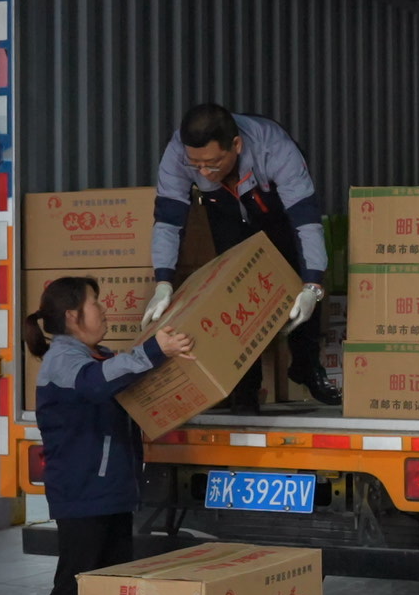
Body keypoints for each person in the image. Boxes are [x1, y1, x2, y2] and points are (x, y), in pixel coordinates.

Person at [141, 103, 342, 414]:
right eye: (196, 165)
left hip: (274, 209)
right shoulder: (178, 153)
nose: (203, 172)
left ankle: (306, 365)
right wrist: (163, 282)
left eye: (212, 163)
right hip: (225, 209)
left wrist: (313, 285)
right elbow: (168, 220)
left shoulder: (275, 148)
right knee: (234, 286)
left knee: (298, 275)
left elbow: (306, 221)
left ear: (236, 145)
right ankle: (245, 389)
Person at [25, 276, 194, 595]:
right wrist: (153, 351)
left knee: (111, 586)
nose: (103, 310)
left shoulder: (99, 356)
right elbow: (95, 383)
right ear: (73, 316)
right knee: (74, 588)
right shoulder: (62, 360)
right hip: (83, 494)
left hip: (110, 492)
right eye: (95, 303)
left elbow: (118, 374)